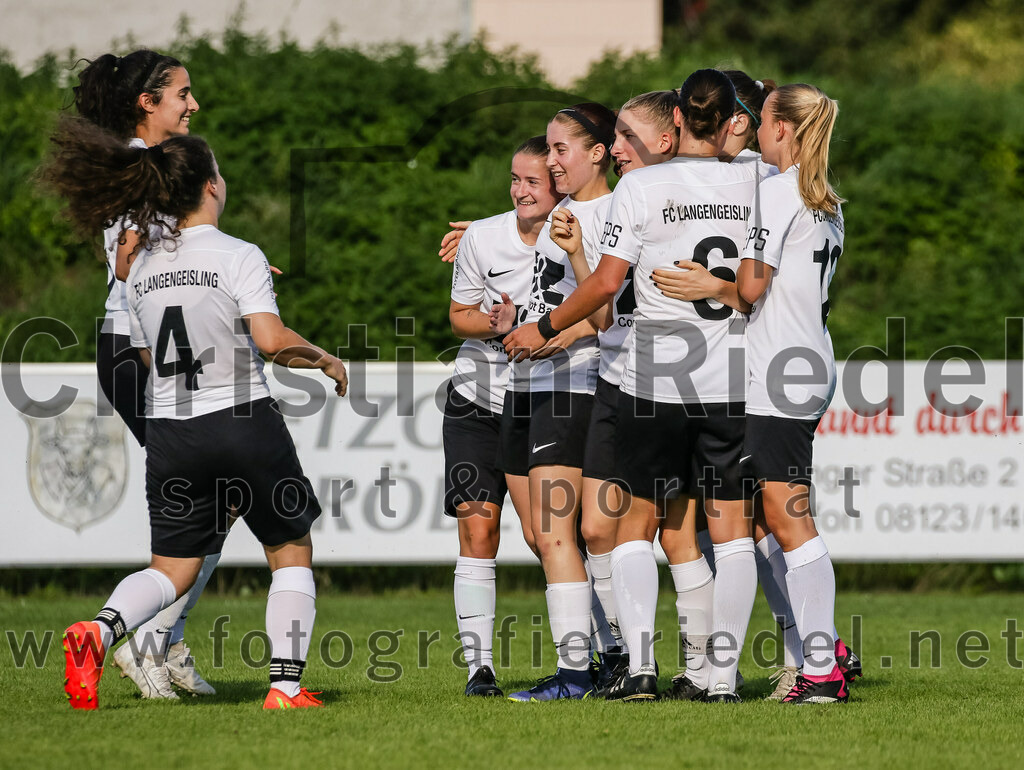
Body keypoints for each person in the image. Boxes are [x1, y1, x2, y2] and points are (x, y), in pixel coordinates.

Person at [44, 120, 348, 710]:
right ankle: (285, 687)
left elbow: (142, 355)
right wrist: (324, 359)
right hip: (241, 419)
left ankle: (99, 632)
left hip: (172, 432)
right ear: (211, 186)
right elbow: (268, 339)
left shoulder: (141, 271)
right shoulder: (239, 254)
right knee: (289, 547)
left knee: (172, 569)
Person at [506, 70, 760, 702]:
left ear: (677, 119)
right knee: (727, 535)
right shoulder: (757, 182)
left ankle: (640, 669)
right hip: (730, 378)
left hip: (649, 382)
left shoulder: (642, 186)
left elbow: (602, 288)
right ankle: (717, 680)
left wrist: (542, 324)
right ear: (733, 117)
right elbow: (758, 286)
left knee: (634, 528)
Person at [72, 49, 218, 699]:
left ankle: (157, 640)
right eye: (182, 93)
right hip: (139, 354)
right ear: (147, 102)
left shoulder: (159, 166)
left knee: (219, 498)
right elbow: (135, 271)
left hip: (154, 352)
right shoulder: (137, 168)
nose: (192, 104)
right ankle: (138, 641)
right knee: (207, 499)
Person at [492, 102, 617, 702]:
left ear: (598, 151)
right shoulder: (565, 211)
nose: (550, 160)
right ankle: (609, 662)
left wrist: (549, 336)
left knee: (566, 532)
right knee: (546, 537)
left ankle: (585, 672)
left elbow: (606, 315)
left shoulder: (614, 215)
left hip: (578, 385)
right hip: (534, 386)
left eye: (560, 149)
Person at [736, 83, 850, 704]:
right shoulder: (827, 200)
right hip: (809, 363)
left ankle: (823, 670)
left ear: (781, 129)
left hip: (780, 370)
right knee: (767, 517)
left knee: (788, 519)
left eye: (762, 120)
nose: (754, 130)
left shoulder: (777, 193)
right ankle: (824, 647)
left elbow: (752, 289)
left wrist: (708, 281)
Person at [444, 136, 557, 697]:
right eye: (515, 179)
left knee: (545, 536)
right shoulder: (483, 236)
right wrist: (492, 325)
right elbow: (457, 313)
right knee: (478, 525)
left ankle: (598, 655)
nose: (520, 190)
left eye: (533, 180)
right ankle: (478, 670)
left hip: (540, 401)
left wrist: (530, 325)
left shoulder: (575, 236)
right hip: (474, 400)